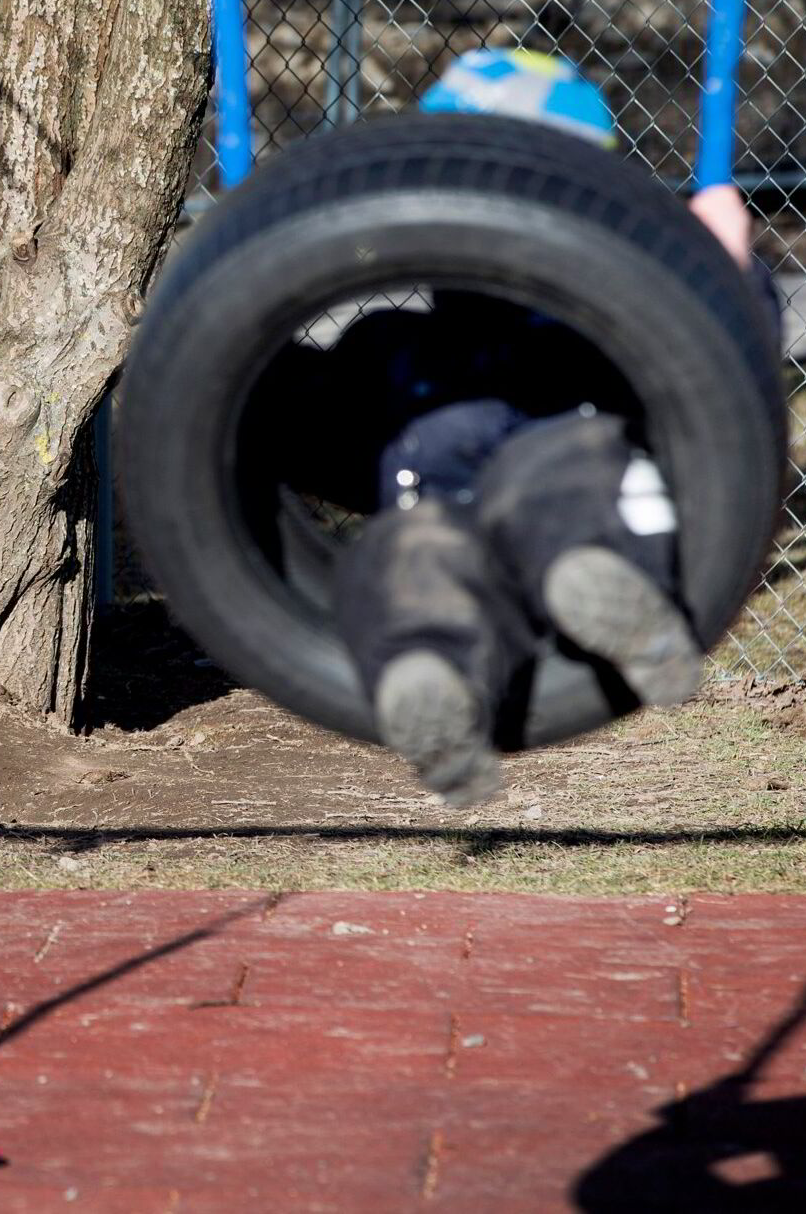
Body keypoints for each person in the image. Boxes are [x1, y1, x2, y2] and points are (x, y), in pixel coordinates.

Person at [270, 49, 777, 806]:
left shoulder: (607, 324)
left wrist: (725, 269)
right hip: (478, 486)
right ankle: (437, 686)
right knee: (432, 548)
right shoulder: (397, 348)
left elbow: (723, 375)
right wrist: (233, 325)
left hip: (493, 477)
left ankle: (577, 594)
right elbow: (295, 415)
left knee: (449, 538)